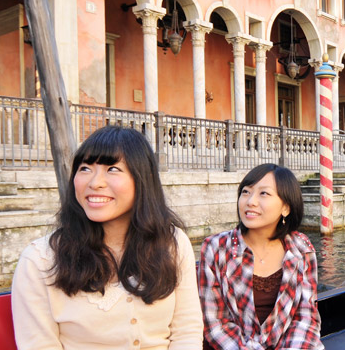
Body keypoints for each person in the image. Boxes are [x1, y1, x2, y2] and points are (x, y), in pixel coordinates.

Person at [11, 125, 204, 348]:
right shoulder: (39, 260)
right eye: (85, 168)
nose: (95, 183)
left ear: (143, 179)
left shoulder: (172, 243)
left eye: (112, 169)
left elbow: (186, 331)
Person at [199, 163, 323, 350]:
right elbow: (216, 324)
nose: (251, 201)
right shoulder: (216, 248)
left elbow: (305, 317)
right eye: (246, 192)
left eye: (263, 193)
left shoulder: (301, 248)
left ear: (286, 208)